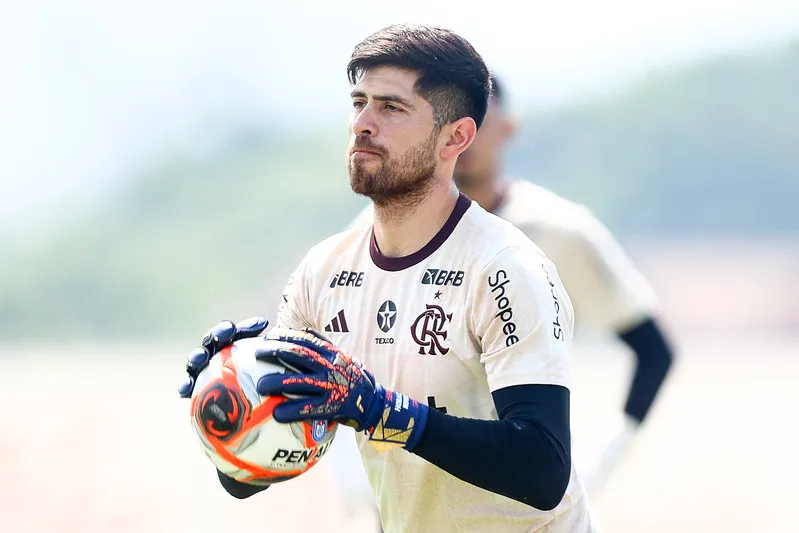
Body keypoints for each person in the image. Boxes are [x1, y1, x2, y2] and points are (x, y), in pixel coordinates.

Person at [179, 23, 597, 532]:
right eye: (359, 102)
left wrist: (386, 412)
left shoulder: (506, 267)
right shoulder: (323, 272)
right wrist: (232, 391)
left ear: (456, 137)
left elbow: (543, 467)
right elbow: (246, 478)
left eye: (391, 108)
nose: (363, 124)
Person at [339, 74, 677, 507]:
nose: (465, 136)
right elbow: (339, 362)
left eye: (477, 121)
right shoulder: (375, 240)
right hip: (414, 498)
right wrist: (353, 477)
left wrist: (606, 457)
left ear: (507, 130)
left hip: (523, 496)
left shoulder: (561, 231)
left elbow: (653, 351)